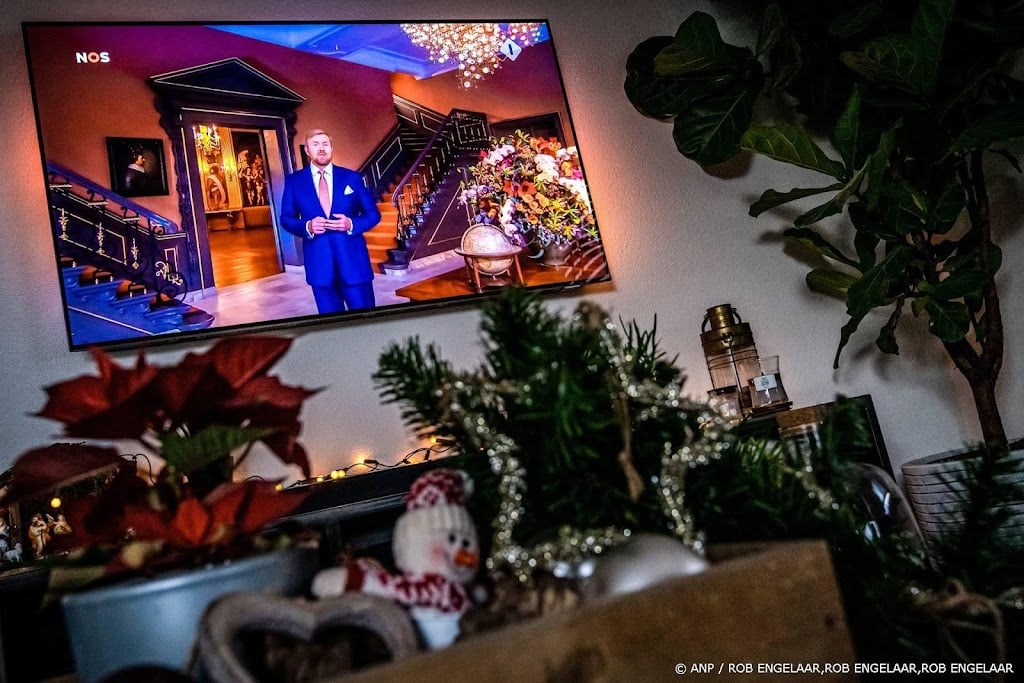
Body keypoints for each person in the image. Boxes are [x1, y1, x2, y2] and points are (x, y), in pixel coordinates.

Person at [279, 129, 382, 313]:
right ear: (307, 151)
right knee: (332, 325)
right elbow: (286, 218)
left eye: (325, 144)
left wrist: (351, 224)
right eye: (315, 144)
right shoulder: (294, 182)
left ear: (331, 148)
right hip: (319, 268)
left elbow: (373, 214)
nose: (321, 149)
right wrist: (307, 226)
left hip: (354, 265)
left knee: (367, 320)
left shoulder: (352, 178)